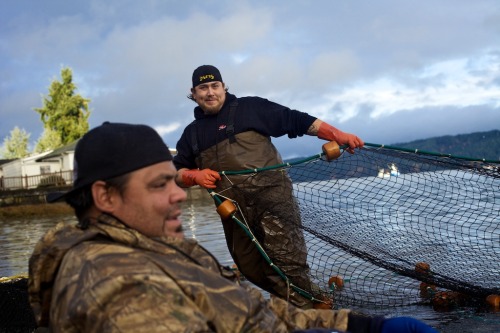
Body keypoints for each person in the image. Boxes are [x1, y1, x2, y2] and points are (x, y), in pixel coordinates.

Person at [28, 122, 437, 333]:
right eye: (159, 185)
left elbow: (252, 311)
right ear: (105, 197)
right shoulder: (113, 281)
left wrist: (360, 326)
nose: (177, 195)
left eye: (174, 181)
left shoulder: (161, 248)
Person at [174, 65, 364, 309]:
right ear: (194, 93)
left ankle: (311, 314)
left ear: (223, 87)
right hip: (234, 211)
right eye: (203, 88)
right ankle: (311, 302)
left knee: (286, 260)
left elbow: (295, 120)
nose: (210, 92)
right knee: (248, 265)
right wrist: (194, 176)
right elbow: (177, 173)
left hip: (272, 196)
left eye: (215, 86)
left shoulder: (250, 108)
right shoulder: (191, 134)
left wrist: (336, 134)